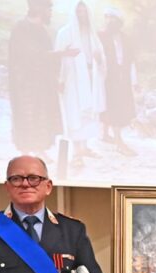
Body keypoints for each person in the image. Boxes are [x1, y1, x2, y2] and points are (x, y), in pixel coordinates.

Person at [8, 0, 75, 155]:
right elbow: (30, 55)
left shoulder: (42, 31)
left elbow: (48, 59)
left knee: (43, 116)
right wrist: (61, 53)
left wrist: (56, 79)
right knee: (27, 117)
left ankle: (39, 150)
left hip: (43, 83)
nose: (50, 12)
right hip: (25, 83)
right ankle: (25, 153)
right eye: (48, 9)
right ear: (38, 8)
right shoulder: (21, 28)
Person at [56, 1, 105, 164]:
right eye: (79, 12)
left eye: (85, 12)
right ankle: (76, 152)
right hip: (73, 80)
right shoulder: (65, 33)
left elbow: (100, 57)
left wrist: (99, 60)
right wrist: (60, 79)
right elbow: (58, 58)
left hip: (91, 78)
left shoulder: (93, 34)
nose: (82, 15)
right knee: (75, 113)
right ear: (74, 13)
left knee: (89, 113)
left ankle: (84, 147)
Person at [99, 7, 137, 156]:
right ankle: (116, 140)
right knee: (109, 104)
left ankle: (110, 136)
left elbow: (131, 60)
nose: (109, 21)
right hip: (105, 76)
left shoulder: (125, 38)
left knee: (117, 105)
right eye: (107, 18)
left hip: (122, 77)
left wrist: (135, 81)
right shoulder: (100, 36)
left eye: (113, 18)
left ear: (119, 22)